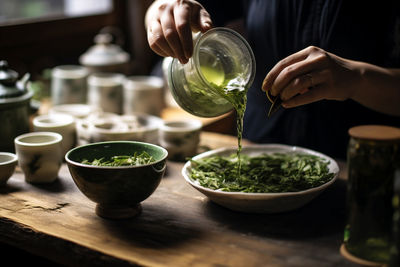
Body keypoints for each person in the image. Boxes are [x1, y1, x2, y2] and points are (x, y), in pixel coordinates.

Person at [145, 0, 400, 159]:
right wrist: (162, 10)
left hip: (360, 161)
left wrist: (357, 78)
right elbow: (172, 8)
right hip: (256, 146)